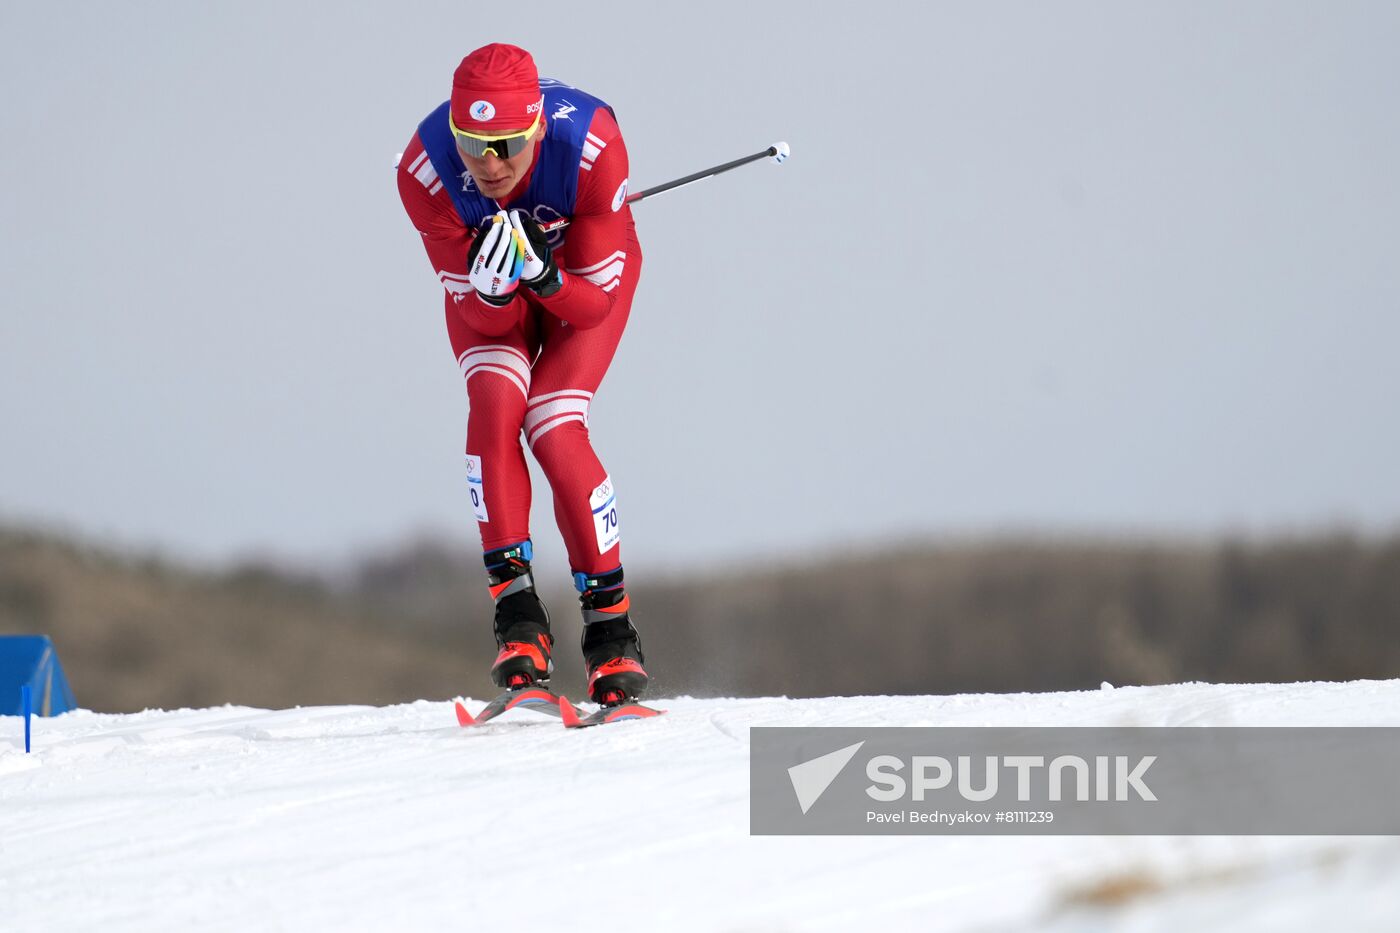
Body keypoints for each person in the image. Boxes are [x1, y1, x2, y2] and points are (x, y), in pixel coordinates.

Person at [396, 43, 647, 706]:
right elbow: (479, 321)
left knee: (553, 423)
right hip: (495, 302)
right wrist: (497, 290)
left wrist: (542, 273)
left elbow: (593, 307)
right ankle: (518, 619)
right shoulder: (423, 170)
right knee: (495, 403)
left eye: (506, 144)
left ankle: (611, 634)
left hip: (576, 286)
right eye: (471, 143)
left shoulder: (591, 146)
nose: (488, 165)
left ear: (536, 127)